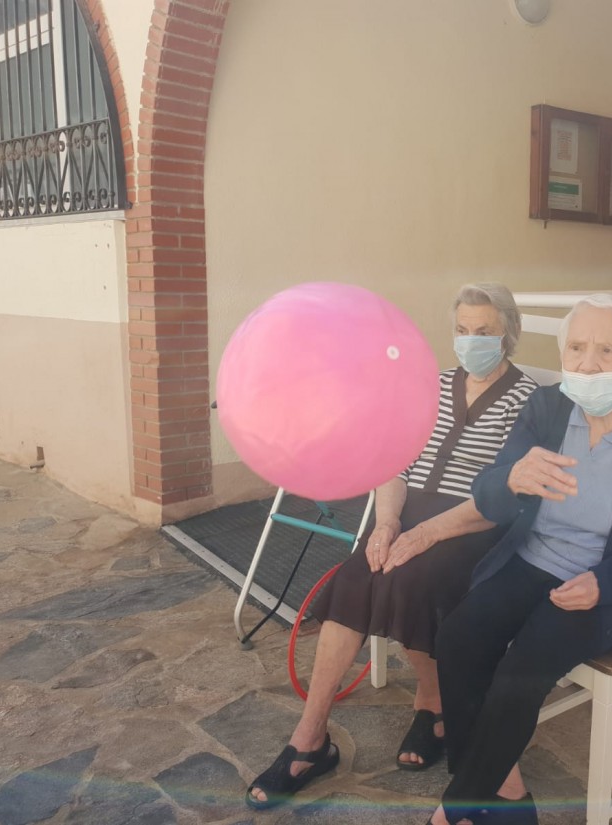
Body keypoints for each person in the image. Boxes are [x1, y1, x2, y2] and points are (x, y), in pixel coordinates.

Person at [246, 283, 538, 810]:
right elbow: (395, 463)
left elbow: (503, 497)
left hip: (470, 525)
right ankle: (310, 738)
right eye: (463, 330)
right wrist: (385, 523)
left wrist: (426, 533)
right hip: (406, 512)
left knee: (412, 578)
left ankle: (432, 703)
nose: (471, 341)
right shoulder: (432, 385)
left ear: (508, 335)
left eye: (484, 332)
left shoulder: (527, 400)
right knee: (356, 577)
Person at [427, 294, 612, 825]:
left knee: (522, 669)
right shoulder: (547, 408)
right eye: (576, 348)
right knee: (458, 638)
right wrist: (511, 480)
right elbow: (489, 494)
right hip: (533, 559)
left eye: (606, 351)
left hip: (608, 582)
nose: (588, 363)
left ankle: (455, 810)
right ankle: (498, 789)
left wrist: (607, 582)